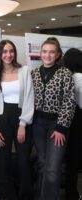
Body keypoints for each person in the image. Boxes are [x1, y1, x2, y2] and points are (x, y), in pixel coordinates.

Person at [0, 40, 34, 200]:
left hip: (22, 117)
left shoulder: (24, 71)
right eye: (5, 51)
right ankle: (6, 195)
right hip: (2, 117)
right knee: (1, 160)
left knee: (23, 160)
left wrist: (23, 124)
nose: (8, 54)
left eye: (11, 51)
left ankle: (25, 195)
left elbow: (29, 98)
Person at [31, 37, 76, 200]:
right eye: (44, 52)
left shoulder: (65, 73)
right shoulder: (34, 73)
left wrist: (61, 127)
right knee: (42, 163)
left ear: (57, 55)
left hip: (57, 125)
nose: (47, 55)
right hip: (37, 124)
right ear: (40, 53)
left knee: (52, 167)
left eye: (51, 52)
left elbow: (69, 101)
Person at [63, 48, 82, 200]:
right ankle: (72, 193)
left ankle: (70, 192)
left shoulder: (66, 76)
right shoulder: (79, 78)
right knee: (75, 159)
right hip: (78, 120)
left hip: (67, 120)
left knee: (70, 159)